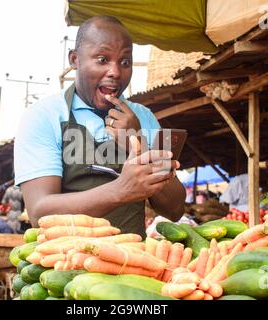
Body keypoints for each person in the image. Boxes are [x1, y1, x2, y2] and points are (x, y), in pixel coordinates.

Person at [14, 16, 186, 237]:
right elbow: (39, 213)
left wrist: (138, 143)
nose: (115, 71)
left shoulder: (144, 118)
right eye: (103, 59)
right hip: (63, 264)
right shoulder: (44, 116)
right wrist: (120, 191)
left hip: (130, 264)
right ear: (75, 59)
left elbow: (174, 209)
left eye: (125, 62)